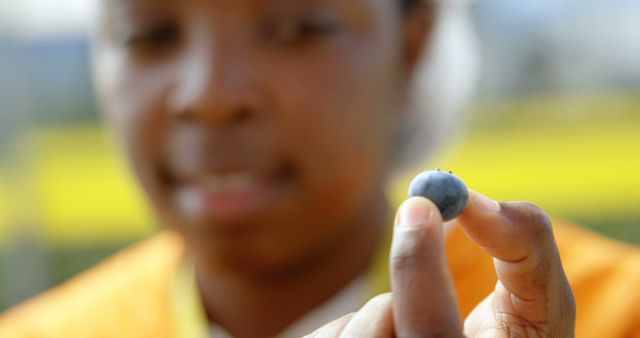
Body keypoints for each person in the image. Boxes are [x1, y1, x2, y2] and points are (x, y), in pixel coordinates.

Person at [1, 0, 639, 337]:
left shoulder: (609, 315)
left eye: (295, 28)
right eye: (149, 34)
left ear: (411, 49)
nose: (212, 95)